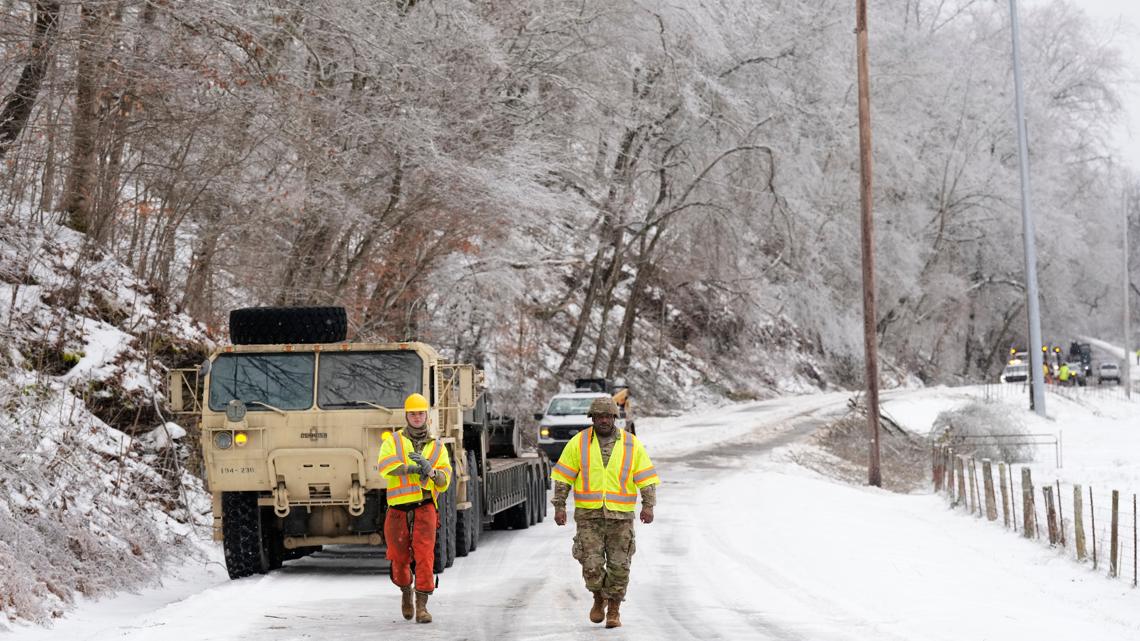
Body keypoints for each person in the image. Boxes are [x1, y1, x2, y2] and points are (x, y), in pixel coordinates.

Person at [551, 397, 659, 629]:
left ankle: (614, 610)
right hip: (589, 517)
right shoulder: (578, 443)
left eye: (608, 416)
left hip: (621, 518)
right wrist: (559, 506)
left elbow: (646, 478)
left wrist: (648, 504)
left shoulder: (631, 444)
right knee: (591, 566)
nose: (603, 420)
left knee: (620, 567)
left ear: (614, 418)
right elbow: (563, 478)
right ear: (592, 418)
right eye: (599, 416)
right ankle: (598, 598)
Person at [377, 393, 451, 624]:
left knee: (425, 557)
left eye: (420, 413)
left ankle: (422, 607)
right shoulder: (394, 441)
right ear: (406, 416)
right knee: (398, 558)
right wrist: (411, 469)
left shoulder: (438, 447)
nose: (417, 417)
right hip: (398, 509)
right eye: (413, 414)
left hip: (425, 508)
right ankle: (405, 592)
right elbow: (384, 466)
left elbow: (444, 480)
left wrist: (431, 471)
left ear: (427, 417)